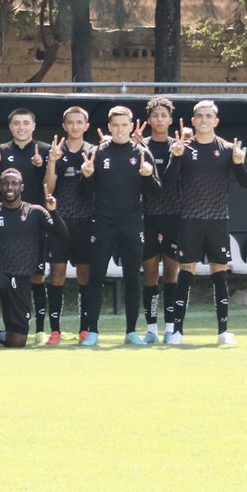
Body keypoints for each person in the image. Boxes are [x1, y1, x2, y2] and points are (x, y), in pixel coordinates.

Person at [163, 100, 247, 345]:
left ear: (216, 121)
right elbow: (168, 182)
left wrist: (239, 162)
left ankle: (223, 331)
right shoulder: (183, 147)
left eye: (208, 116)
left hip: (217, 220)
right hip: (190, 220)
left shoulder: (227, 148)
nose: (203, 120)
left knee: (219, 275)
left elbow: (245, 183)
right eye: (199, 116)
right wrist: (176, 158)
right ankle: (177, 331)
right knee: (186, 274)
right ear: (193, 120)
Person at [77, 106, 160, 346]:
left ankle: (131, 331)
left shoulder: (142, 153)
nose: (121, 129)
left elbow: (156, 192)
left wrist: (148, 176)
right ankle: (92, 331)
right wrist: (87, 175)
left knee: (133, 277)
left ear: (132, 126)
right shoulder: (97, 152)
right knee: (96, 277)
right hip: (103, 223)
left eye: (125, 125)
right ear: (109, 127)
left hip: (132, 224)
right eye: (116, 125)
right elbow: (83, 193)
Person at [0, 169, 68, 349]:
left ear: (22, 187)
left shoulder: (36, 212)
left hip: (21, 280)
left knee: (17, 342)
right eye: (5, 183)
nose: (9, 187)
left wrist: (53, 212)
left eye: (14, 183)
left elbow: (62, 235)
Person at [0, 108, 52, 342]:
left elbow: (53, 186)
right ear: (10, 127)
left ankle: (41, 329)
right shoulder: (0, 151)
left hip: (36, 225)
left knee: (37, 276)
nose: (21, 127)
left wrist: (42, 166)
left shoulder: (45, 151)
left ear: (33, 126)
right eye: (16, 123)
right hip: (7, 227)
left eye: (26, 123)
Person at [43, 106, 95, 345]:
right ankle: (55, 330)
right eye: (70, 123)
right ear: (64, 126)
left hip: (86, 223)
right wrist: (52, 163)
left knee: (85, 275)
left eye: (79, 122)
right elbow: (49, 190)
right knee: (56, 275)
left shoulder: (94, 152)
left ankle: (85, 329)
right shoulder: (56, 152)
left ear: (86, 126)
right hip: (58, 222)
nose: (74, 126)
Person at [138, 97, 187, 343]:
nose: (159, 120)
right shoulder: (139, 146)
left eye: (163, 115)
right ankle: (151, 329)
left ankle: (170, 327)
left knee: (171, 272)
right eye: (155, 115)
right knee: (149, 274)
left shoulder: (178, 146)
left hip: (173, 216)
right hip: (146, 217)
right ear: (148, 120)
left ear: (170, 120)